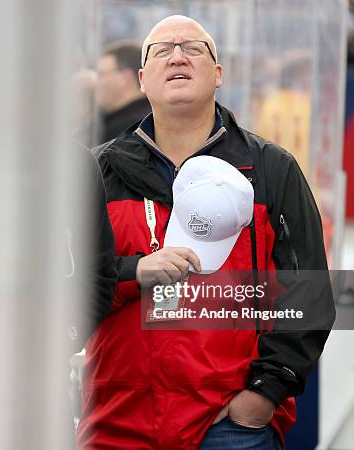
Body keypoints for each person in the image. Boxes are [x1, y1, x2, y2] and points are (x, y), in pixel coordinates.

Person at [78, 15, 335, 450]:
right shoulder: (98, 171)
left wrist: (263, 394)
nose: (177, 55)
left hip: (228, 427)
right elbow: (71, 284)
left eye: (193, 48)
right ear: (143, 79)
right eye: (161, 50)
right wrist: (133, 271)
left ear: (218, 74)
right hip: (118, 421)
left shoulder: (272, 169)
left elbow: (307, 293)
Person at [96, 40, 151, 144]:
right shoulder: (151, 120)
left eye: (102, 74)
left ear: (126, 77)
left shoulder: (127, 129)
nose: (97, 82)